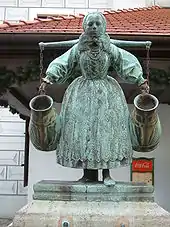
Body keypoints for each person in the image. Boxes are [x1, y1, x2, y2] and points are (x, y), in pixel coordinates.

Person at [38, 12, 149, 186]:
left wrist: (140, 79)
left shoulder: (109, 47)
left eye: (98, 24)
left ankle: (106, 173)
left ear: (103, 27)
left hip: (107, 94)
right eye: (90, 24)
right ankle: (88, 173)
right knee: (85, 131)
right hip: (81, 94)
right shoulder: (79, 48)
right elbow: (63, 62)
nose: (94, 27)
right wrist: (49, 78)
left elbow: (125, 62)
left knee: (106, 131)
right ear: (84, 27)